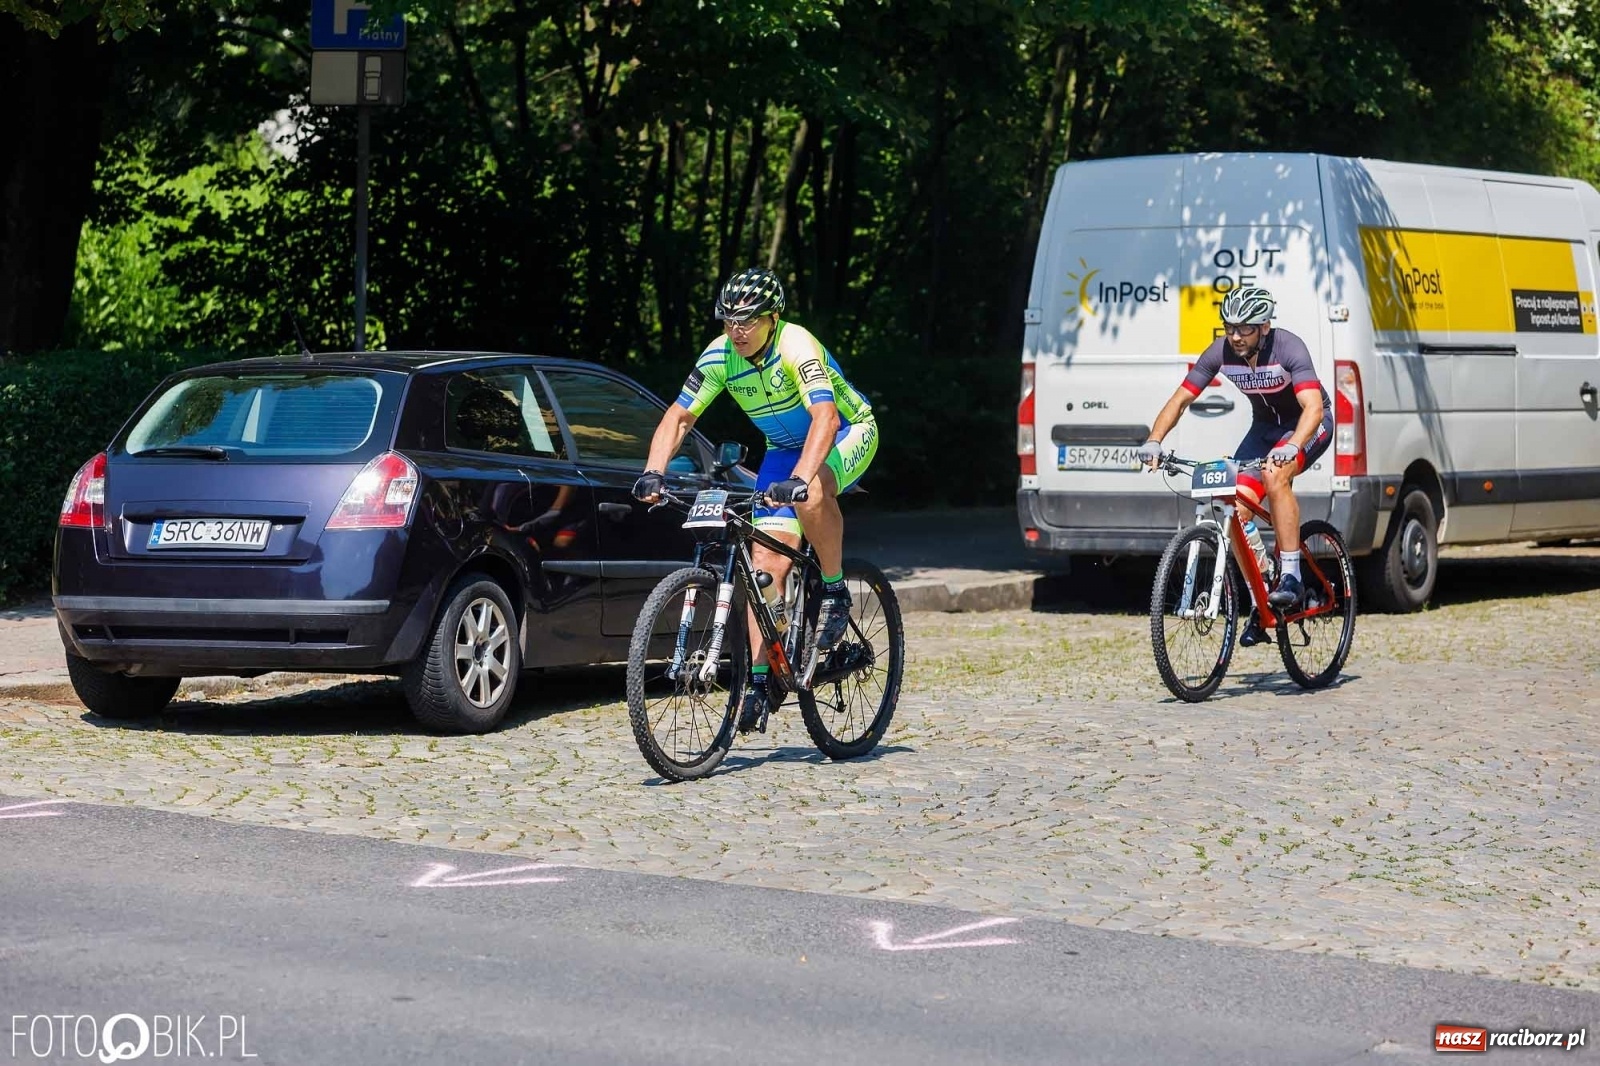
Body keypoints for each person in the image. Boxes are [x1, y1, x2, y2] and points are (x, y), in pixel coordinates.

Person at [633, 266, 879, 732]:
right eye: (728, 320)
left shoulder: (796, 345)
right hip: (783, 450)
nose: (736, 330)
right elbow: (680, 417)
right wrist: (653, 471)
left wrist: (801, 478)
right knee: (764, 567)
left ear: (773, 318)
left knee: (811, 493)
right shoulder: (720, 356)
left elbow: (825, 418)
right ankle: (761, 682)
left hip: (846, 430)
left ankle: (833, 589)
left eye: (747, 320)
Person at [1137, 285, 1334, 647]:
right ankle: (1262, 595)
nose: (1236, 336)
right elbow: (1181, 399)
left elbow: (1313, 408)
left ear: (1265, 327)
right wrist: (1155, 440)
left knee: (1275, 475)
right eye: (1230, 327)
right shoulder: (1221, 352)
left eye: (1245, 328)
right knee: (1236, 511)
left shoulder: (1288, 348)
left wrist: (1293, 446)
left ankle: (1291, 575)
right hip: (1264, 430)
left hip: (1307, 425)